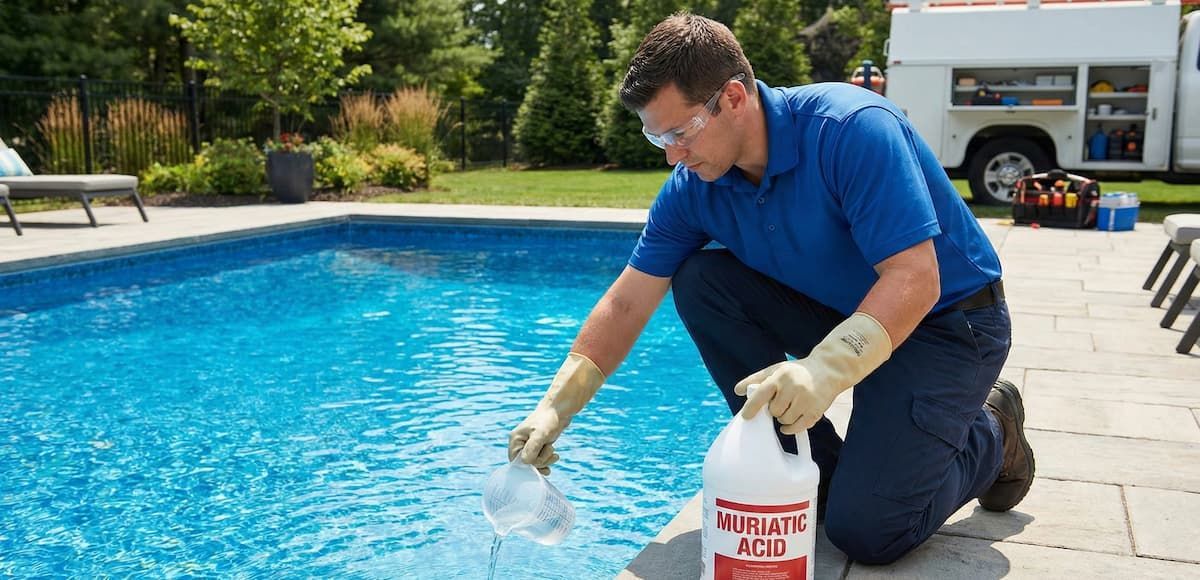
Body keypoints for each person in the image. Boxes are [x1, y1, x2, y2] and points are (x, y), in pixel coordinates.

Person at [507, 13, 1033, 565]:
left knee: (868, 534)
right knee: (703, 280)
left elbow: (915, 279)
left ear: (732, 97)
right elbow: (628, 300)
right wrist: (554, 409)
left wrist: (823, 370)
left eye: (680, 132)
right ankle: (828, 467)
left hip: (949, 326)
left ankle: (994, 428)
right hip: (844, 312)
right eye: (656, 136)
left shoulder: (852, 128)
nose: (671, 155)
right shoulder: (693, 189)